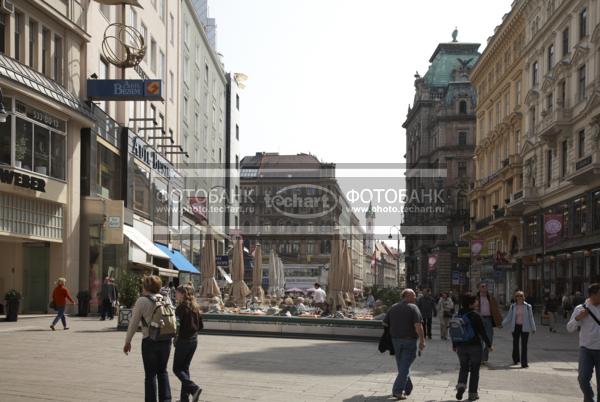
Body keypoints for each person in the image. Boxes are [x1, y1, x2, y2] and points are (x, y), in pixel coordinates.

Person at [123, 275, 172, 402]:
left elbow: (133, 323)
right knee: (163, 371)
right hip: (166, 339)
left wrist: (128, 341)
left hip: (149, 340)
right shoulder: (166, 299)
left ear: (145, 286)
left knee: (150, 375)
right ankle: (166, 399)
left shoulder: (142, 301)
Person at [383, 289, 426, 400]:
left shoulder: (393, 307)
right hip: (409, 341)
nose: (415, 298)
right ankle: (397, 391)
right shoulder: (413, 308)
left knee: (402, 366)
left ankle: (407, 387)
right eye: (414, 296)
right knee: (405, 367)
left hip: (396, 341)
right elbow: (418, 326)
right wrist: (422, 340)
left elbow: (385, 323)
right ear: (407, 296)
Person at [453, 294, 492, 401]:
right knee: (475, 370)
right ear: (471, 304)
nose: (477, 302)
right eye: (475, 301)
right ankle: (472, 394)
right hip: (475, 346)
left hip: (461, 345)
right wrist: (489, 345)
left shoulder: (458, 314)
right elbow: (483, 332)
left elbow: (454, 329)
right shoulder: (476, 315)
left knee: (463, 367)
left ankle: (461, 385)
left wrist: (454, 344)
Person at [567, 283, 600, 402]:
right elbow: (569, 328)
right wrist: (578, 318)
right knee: (583, 379)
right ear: (592, 295)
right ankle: (590, 398)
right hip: (586, 349)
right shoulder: (580, 308)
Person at [173, 285, 203, 402]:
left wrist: (175, 337)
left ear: (183, 294)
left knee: (176, 369)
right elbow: (200, 325)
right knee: (184, 369)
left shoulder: (181, 308)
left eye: (177, 292)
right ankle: (184, 399)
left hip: (183, 341)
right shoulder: (195, 307)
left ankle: (194, 388)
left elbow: (177, 326)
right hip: (194, 340)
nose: (175, 294)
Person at [501, 290, 536, 368]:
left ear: (523, 297)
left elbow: (531, 318)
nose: (519, 297)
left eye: (520, 296)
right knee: (515, 344)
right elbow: (509, 317)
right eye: (517, 296)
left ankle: (524, 363)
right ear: (515, 297)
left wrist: (533, 328)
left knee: (524, 345)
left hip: (525, 327)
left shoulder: (528, 306)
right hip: (516, 327)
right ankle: (516, 359)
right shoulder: (513, 306)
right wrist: (502, 324)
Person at [475, 282, 502, 364]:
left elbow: (496, 309)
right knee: (479, 339)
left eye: (486, 286)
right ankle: (479, 357)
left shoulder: (490, 297)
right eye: (482, 286)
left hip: (488, 319)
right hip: (479, 319)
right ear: (479, 288)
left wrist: (499, 322)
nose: (484, 288)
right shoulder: (476, 298)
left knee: (489, 339)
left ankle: (484, 357)